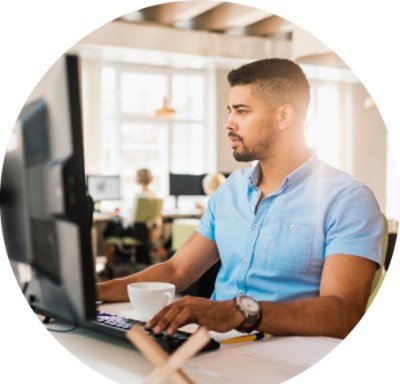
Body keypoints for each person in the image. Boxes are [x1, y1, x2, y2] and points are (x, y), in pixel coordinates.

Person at [97, 58, 383, 339]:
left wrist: (241, 313)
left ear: (284, 116)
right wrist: (91, 292)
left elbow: (344, 313)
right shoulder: (231, 190)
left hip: (290, 356)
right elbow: (176, 269)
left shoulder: (347, 199)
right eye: (230, 110)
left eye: (242, 111)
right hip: (214, 344)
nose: (228, 123)